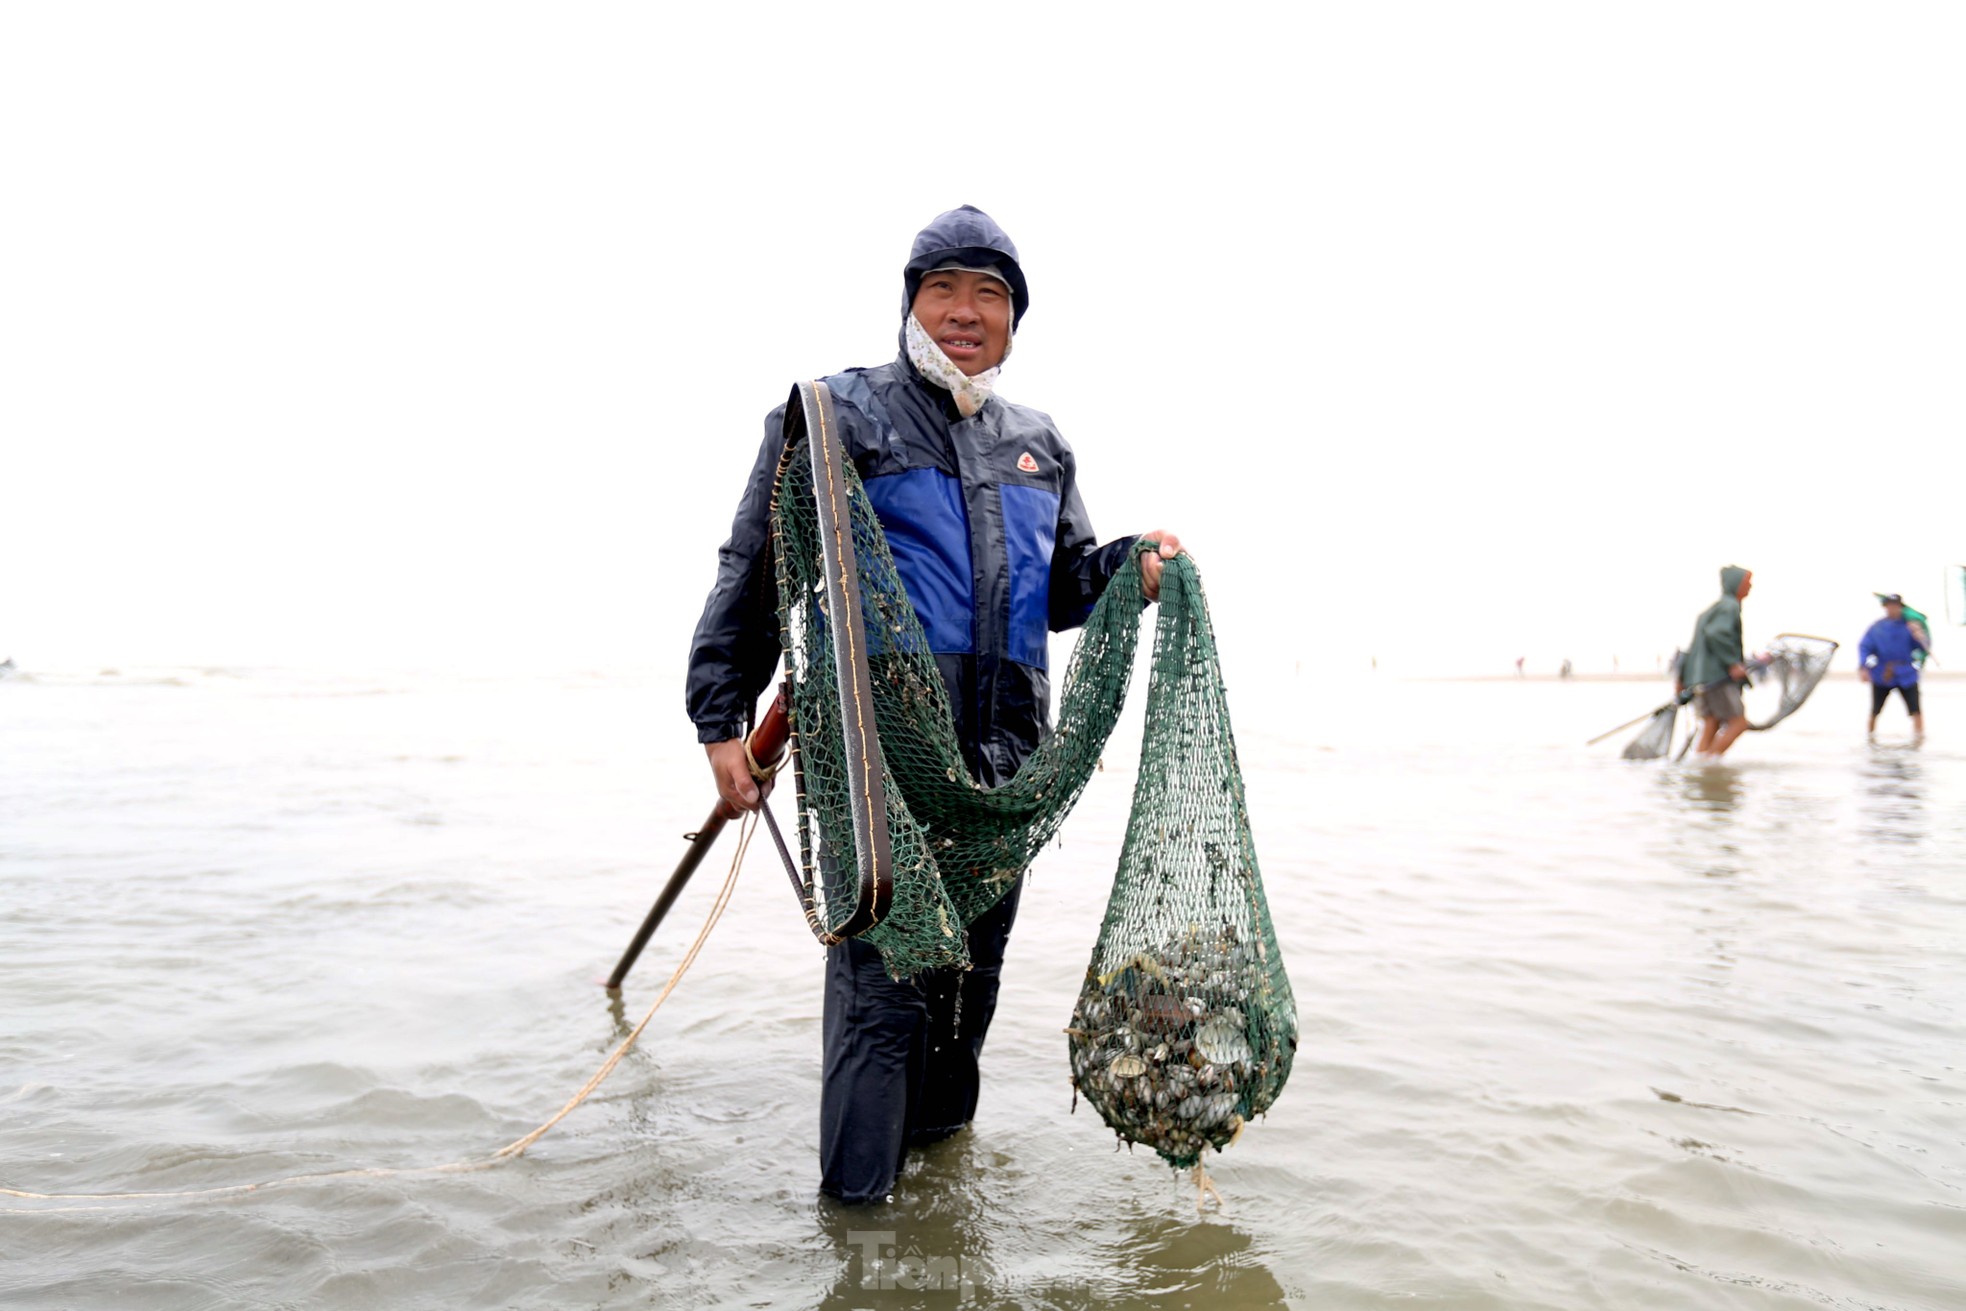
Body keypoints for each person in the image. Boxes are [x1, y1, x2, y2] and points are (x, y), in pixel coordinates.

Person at [685, 205, 1181, 1205]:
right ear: (909, 304)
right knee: (880, 1003)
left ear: (1013, 319)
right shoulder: (836, 413)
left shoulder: (1038, 443)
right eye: (943, 288)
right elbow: (758, 560)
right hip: (883, 768)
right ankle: (861, 1239)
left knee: (967, 996)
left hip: (999, 777)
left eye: (989, 295)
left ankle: (941, 1225)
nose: (965, 312)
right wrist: (718, 718)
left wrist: (1133, 566)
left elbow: (1064, 589)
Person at [1675, 565, 1753, 759]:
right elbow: (1716, 633)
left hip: (1700, 679)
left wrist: (1683, 679)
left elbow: (1692, 648)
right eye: (1747, 581)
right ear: (1736, 584)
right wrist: (1732, 663)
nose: (1750, 586)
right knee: (1739, 723)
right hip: (1717, 677)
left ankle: (1700, 767)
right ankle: (1712, 764)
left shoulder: (1709, 611)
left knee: (1712, 722)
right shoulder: (1730, 606)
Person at [1858, 593, 1928, 737]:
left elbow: (1923, 648)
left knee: (1916, 710)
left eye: (1896, 606)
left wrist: (1920, 636)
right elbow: (1864, 646)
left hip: (1906, 672)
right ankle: (1870, 737)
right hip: (1883, 673)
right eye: (1890, 605)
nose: (1893, 609)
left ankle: (1919, 738)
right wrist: (1863, 667)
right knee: (1875, 711)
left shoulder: (1910, 626)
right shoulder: (1877, 627)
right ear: (1885, 607)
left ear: (1900, 607)